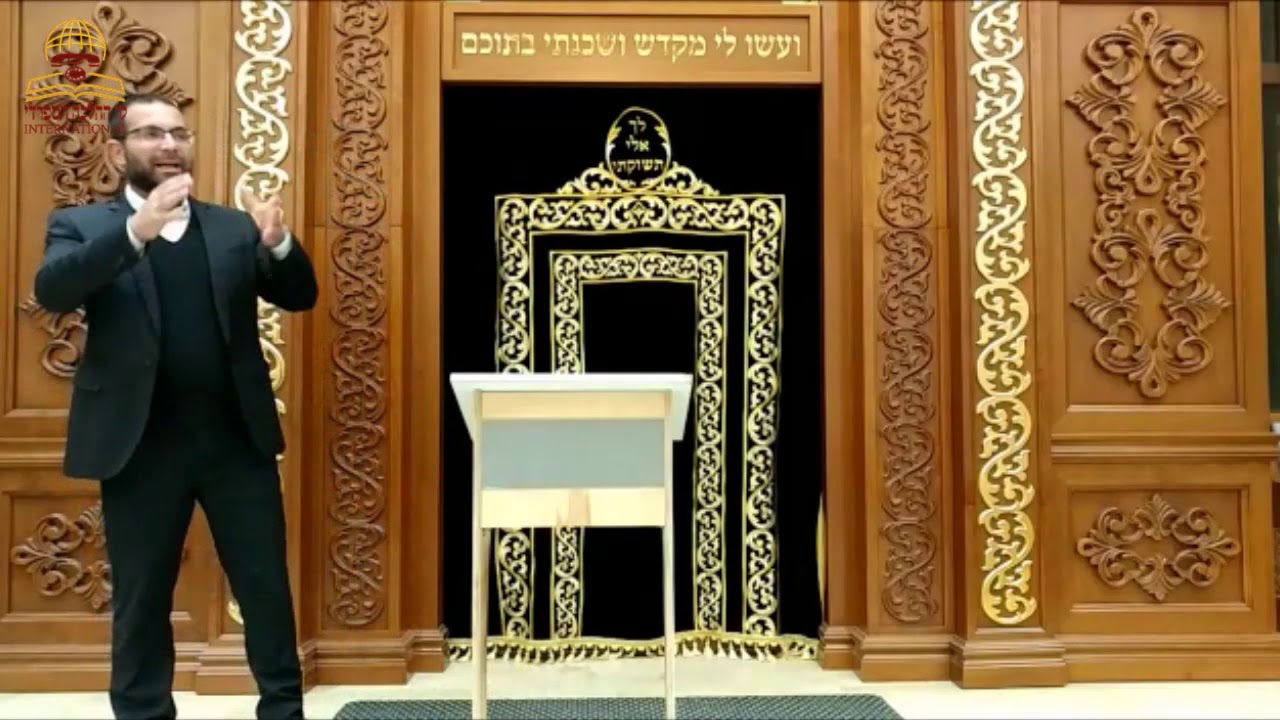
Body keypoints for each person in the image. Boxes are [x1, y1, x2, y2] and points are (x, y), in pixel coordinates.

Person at [32, 93, 317, 720]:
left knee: (265, 589)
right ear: (117, 152)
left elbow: (300, 295)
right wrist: (135, 234)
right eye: (150, 133)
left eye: (178, 133)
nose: (168, 144)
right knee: (141, 597)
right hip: (140, 447)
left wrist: (276, 243)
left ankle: (282, 709)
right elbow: (52, 288)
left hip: (234, 442)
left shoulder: (231, 227)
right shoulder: (83, 225)